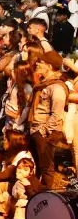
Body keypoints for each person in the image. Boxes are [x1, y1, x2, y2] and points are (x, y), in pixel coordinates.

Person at [29, 51, 68, 188]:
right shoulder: (44, 84)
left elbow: (56, 115)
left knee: (46, 168)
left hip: (45, 133)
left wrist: (42, 131)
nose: (38, 63)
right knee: (38, 166)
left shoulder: (57, 87)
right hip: (37, 130)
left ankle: (46, 198)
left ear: (50, 66)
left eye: (42, 62)